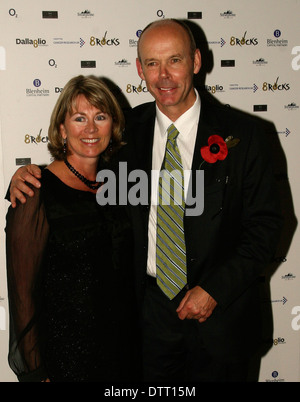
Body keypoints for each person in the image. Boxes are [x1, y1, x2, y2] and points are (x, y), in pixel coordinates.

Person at [9, 19, 282, 382]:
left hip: (223, 319)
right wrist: (27, 176)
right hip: (144, 323)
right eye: (153, 63)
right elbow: (79, 170)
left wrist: (215, 289)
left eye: (175, 60)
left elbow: (267, 227)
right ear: (140, 69)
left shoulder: (245, 135)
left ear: (196, 62)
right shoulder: (124, 133)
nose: (164, 75)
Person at [5, 75, 140, 382]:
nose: (91, 129)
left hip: (125, 352)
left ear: (113, 126)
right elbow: (23, 294)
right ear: (63, 129)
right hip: (65, 358)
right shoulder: (34, 191)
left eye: (100, 117)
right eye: (80, 118)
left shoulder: (124, 183)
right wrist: (35, 373)